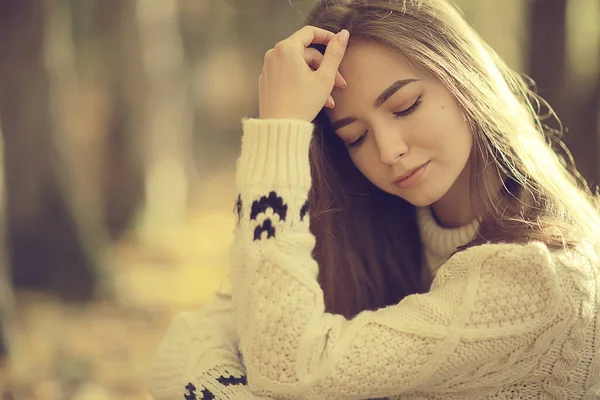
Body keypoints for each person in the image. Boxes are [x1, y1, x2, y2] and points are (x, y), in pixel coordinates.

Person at [148, 0, 600, 399]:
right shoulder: (380, 227)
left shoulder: (536, 276)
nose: (388, 151)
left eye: (404, 106)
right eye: (356, 137)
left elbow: (289, 369)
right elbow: (191, 339)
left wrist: (277, 135)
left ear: (464, 81)